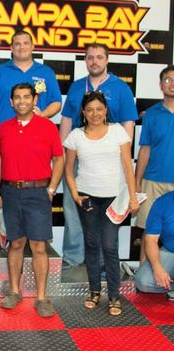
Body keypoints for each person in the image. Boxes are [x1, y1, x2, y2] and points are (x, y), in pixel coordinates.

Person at [59, 43, 138, 269]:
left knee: (107, 215)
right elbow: (66, 121)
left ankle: (104, 263)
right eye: (90, 57)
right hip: (78, 156)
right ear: (85, 60)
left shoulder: (121, 88)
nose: (94, 61)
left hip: (109, 161)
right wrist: (62, 154)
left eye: (99, 57)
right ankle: (73, 258)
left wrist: (123, 155)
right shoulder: (76, 86)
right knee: (73, 209)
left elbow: (128, 124)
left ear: (107, 60)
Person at [64, 91, 139, 316]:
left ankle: (114, 296)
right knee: (92, 245)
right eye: (90, 110)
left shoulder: (117, 131)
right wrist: (75, 195)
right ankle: (94, 291)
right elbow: (68, 170)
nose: (94, 114)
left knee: (109, 246)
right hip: (87, 198)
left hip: (114, 199)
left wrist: (133, 197)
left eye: (99, 109)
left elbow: (128, 167)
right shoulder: (76, 135)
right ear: (83, 112)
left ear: (105, 110)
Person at [0, 83, 64, 317]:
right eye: (17, 97)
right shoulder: (3, 128)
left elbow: (59, 159)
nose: (22, 101)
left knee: (39, 247)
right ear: (11, 102)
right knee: (15, 244)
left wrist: (52, 188)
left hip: (38, 193)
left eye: (26, 97)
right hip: (10, 192)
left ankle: (42, 297)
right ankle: (14, 292)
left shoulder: (48, 127)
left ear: (34, 99)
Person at [134, 65, 174, 263]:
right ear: (160, 84)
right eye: (168, 80)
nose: (172, 84)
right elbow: (145, 150)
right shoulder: (151, 114)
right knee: (148, 231)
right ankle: (144, 274)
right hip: (152, 181)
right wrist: (136, 182)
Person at [0, 29, 62, 125]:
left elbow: (56, 102)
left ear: (32, 46)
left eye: (26, 43)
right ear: (11, 48)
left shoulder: (46, 72)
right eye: (17, 44)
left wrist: (42, 115)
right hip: (5, 131)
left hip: (36, 130)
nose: (22, 47)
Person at [134, 191, 174, 298]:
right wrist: (157, 268)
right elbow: (151, 240)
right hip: (170, 251)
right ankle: (171, 285)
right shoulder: (162, 202)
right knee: (143, 281)